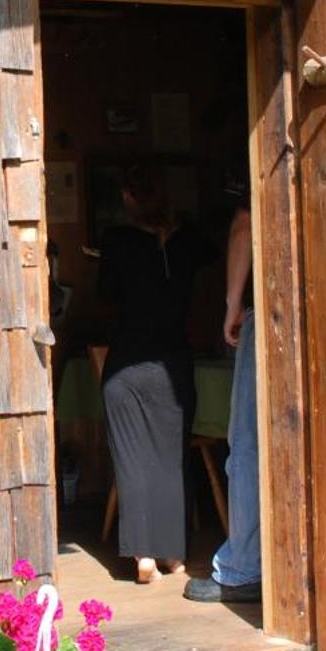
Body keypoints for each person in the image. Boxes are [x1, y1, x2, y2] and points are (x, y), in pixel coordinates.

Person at [99, 163, 208, 584]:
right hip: (172, 363)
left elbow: (106, 294)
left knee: (132, 460)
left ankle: (143, 557)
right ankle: (173, 556)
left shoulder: (117, 240)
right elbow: (213, 254)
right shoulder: (187, 240)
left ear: (128, 199)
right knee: (170, 458)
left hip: (126, 362)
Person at [186, 198, 262, 604]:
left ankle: (244, 566)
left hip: (266, 311)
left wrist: (232, 303)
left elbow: (245, 223)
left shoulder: (254, 172)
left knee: (248, 442)